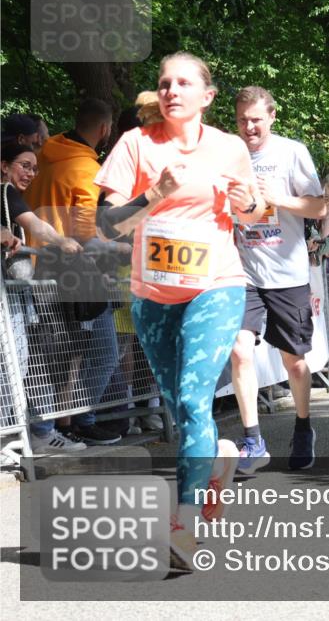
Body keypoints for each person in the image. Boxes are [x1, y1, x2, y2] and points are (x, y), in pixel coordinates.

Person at [94, 52, 260, 569]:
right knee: (183, 410)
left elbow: (254, 211)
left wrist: (248, 203)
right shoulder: (135, 144)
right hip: (152, 294)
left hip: (216, 284)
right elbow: (107, 226)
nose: (171, 91)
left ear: (207, 96)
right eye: (164, 83)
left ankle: (184, 525)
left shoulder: (229, 147)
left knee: (192, 397)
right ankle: (219, 461)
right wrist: (154, 193)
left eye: (183, 83)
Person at [228, 86, 327, 474]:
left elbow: (319, 207)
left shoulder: (291, 152)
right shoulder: (227, 155)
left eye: (256, 119)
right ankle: (253, 440)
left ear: (272, 116)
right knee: (240, 349)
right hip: (243, 271)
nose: (249, 127)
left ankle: (303, 426)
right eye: (242, 120)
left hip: (287, 272)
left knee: (295, 362)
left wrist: (278, 198)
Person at [24, 97, 129, 446]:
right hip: (71, 273)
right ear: (105, 129)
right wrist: (123, 249)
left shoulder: (45, 152)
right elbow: (85, 236)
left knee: (58, 357)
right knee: (100, 354)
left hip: (32, 269)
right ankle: (76, 423)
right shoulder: (86, 169)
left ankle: (65, 426)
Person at [1, 143, 88, 453]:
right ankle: (11, 439)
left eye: (34, 168)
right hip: (6, 301)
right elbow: (35, 225)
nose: (31, 173)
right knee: (12, 365)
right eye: (24, 165)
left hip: (12, 299)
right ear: (3, 165)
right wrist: (63, 241)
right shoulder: (6, 192)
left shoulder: (10, 195)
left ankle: (19, 437)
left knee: (18, 365)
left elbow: (32, 225)